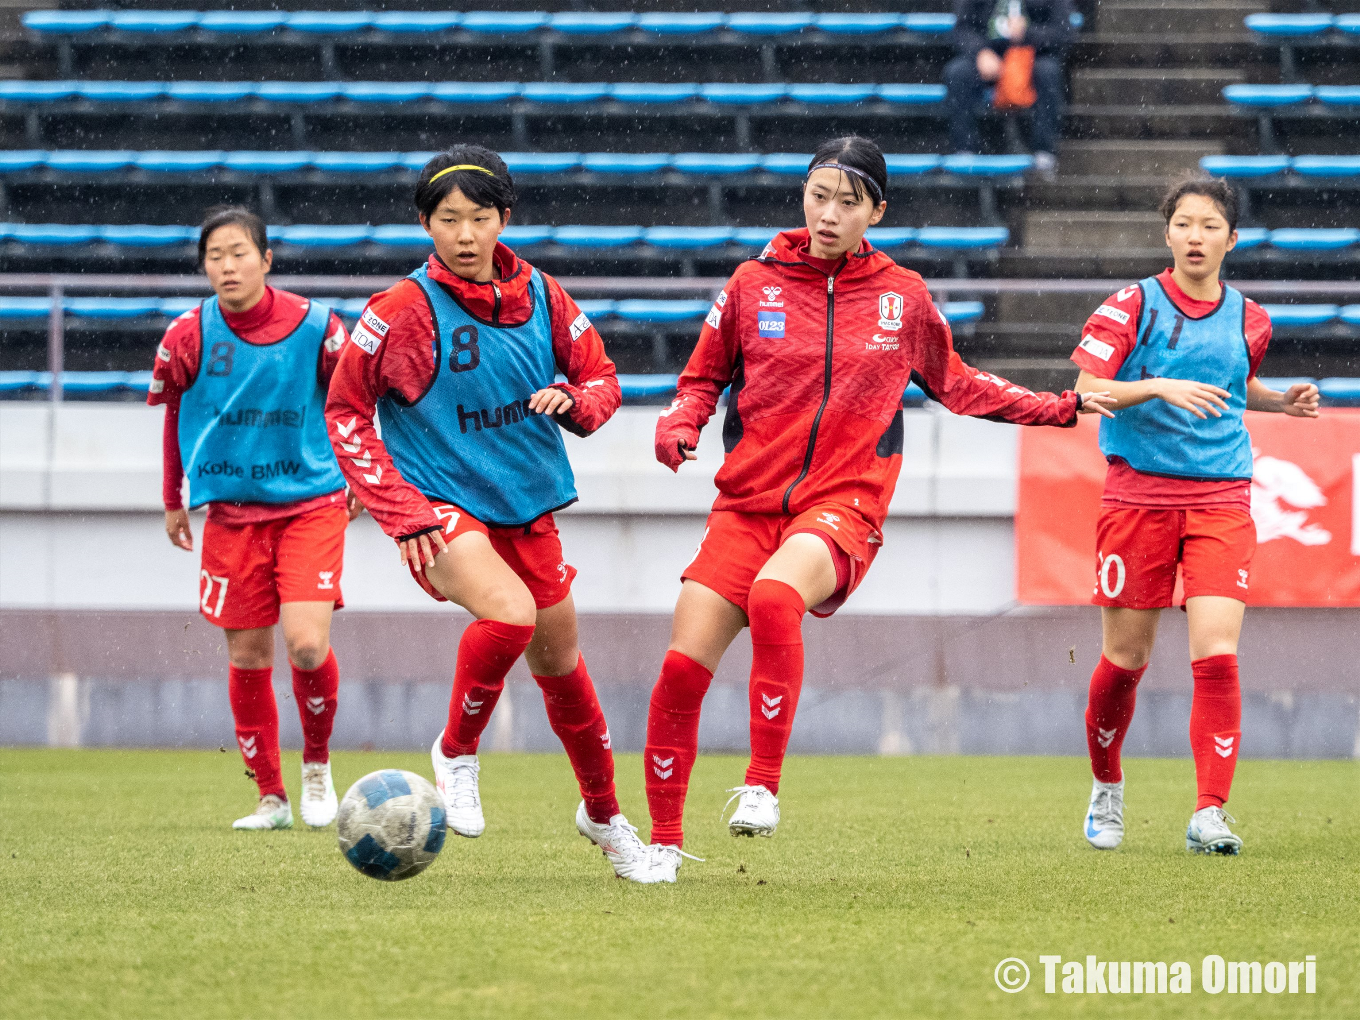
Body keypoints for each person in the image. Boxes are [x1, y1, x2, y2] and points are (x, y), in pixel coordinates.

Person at [641, 135, 1116, 882]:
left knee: (775, 597)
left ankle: (761, 785)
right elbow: (701, 380)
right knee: (678, 672)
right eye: (818, 196)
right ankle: (663, 847)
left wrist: (1058, 406)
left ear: (877, 212)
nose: (829, 214)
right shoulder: (751, 284)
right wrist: (679, 425)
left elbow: (959, 384)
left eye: (848, 202)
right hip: (746, 505)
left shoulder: (904, 296)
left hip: (843, 502)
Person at [324, 145, 660, 882]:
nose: (466, 234)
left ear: (504, 218)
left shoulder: (543, 294)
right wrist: (398, 509)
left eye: (479, 217)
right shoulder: (399, 311)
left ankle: (604, 817)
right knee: (509, 616)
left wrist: (576, 402)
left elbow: (603, 378)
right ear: (426, 225)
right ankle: (456, 752)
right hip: (439, 507)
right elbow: (346, 411)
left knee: (563, 669)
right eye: (449, 219)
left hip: (526, 509)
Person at [1071, 173, 1320, 855]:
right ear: (1167, 233)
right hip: (1138, 497)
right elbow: (1087, 389)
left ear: (1231, 239)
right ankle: (1107, 783)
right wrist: (1157, 386)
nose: (1195, 236)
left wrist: (1279, 402)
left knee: (1216, 652)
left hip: (1221, 496)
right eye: (1184, 223)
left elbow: (1235, 387)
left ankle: (1210, 811)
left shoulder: (1251, 318)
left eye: (1210, 226)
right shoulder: (1131, 305)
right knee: (1125, 660)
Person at [151, 206, 357, 831]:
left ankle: (316, 766)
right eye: (214, 256)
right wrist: (173, 496)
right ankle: (271, 797)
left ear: (266, 259)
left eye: (239, 252)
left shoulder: (317, 327)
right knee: (247, 655)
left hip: (312, 503)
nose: (227, 266)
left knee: (306, 643)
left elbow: (352, 402)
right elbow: (174, 416)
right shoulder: (188, 335)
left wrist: (361, 474)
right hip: (231, 513)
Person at [944, 0, 1074, 172]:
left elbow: (1063, 31)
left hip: (1034, 56)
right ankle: (965, 150)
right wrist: (980, 52)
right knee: (957, 73)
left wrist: (1028, 34)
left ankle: (1044, 152)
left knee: (1048, 72)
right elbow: (962, 29)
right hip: (988, 57)